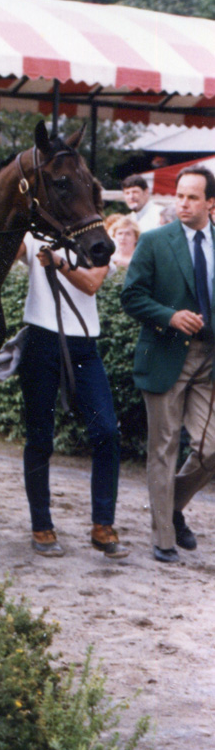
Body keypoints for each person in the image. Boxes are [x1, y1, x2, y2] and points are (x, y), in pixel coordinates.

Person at [121, 166, 215, 563]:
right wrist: (169, 315)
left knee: (211, 450)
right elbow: (131, 296)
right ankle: (162, 538)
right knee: (162, 449)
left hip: (208, 360)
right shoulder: (156, 241)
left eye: (193, 197)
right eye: (179, 195)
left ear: (211, 203)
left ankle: (171, 507)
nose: (183, 202)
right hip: (164, 356)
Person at [15, 234, 128, 559]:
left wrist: (59, 262)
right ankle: (41, 524)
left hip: (83, 344)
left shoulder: (96, 240)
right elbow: (9, 251)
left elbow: (92, 283)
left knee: (107, 431)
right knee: (39, 436)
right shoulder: (34, 235)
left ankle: (102, 525)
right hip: (41, 340)